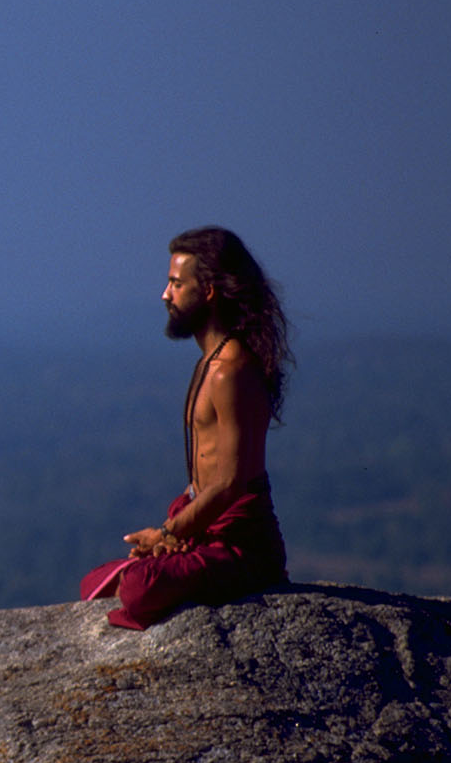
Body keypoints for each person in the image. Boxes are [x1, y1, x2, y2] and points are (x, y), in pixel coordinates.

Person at [80, 227, 293, 629]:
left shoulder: (231, 370)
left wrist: (166, 533)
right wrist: (174, 534)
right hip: (203, 530)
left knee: (139, 589)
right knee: (97, 581)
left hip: (241, 546)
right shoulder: (209, 361)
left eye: (177, 284)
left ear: (209, 290)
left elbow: (231, 482)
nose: (165, 295)